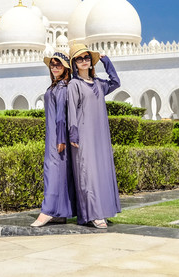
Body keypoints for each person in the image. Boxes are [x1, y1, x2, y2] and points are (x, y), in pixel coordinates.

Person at [67, 43, 121, 229]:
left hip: (100, 135)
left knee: (100, 172)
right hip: (83, 135)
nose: (84, 61)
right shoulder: (74, 85)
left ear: (91, 62)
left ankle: (103, 210)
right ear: (74, 63)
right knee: (87, 173)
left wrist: (106, 61)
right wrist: (73, 134)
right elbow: (72, 111)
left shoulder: (99, 84)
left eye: (87, 58)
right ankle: (93, 214)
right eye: (80, 58)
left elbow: (116, 82)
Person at [31, 50, 76, 227]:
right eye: (52, 64)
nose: (55, 66)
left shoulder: (63, 87)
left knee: (53, 172)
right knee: (58, 173)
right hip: (53, 135)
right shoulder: (55, 86)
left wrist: (60, 139)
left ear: (65, 68)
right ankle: (60, 213)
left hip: (57, 137)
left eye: (59, 64)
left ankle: (47, 211)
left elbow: (60, 116)